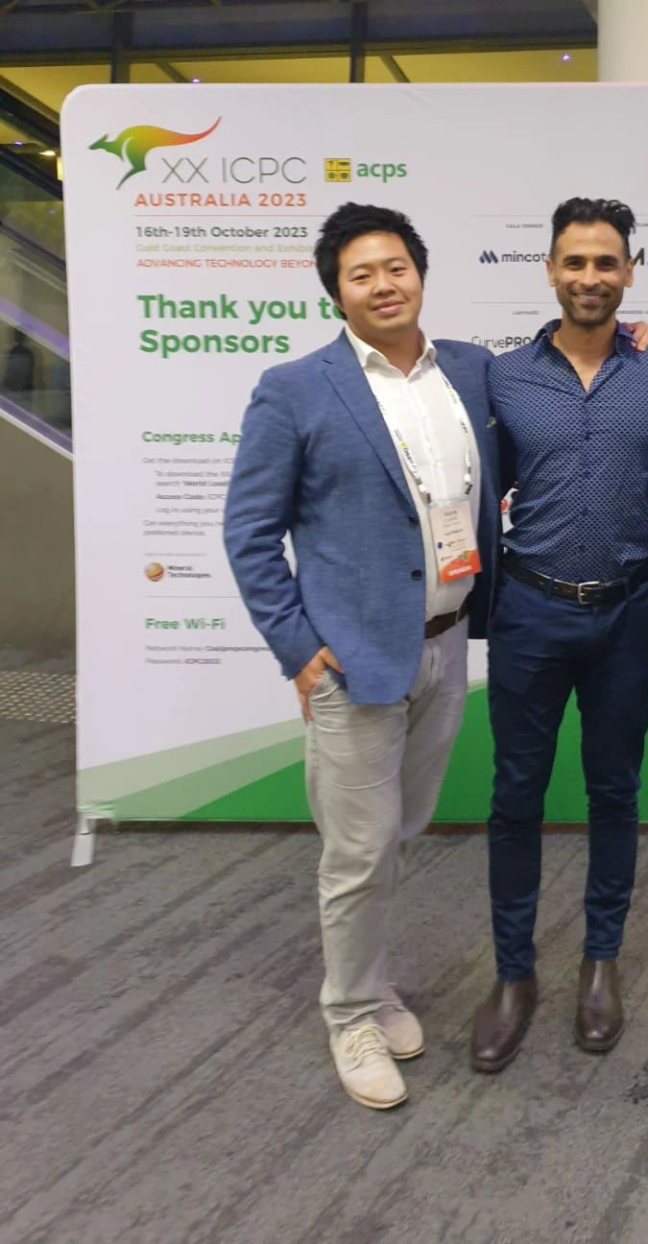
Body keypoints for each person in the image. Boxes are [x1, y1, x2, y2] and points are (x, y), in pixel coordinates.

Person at [224, 203, 501, 1112]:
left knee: (401, 834)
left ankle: (376, 985)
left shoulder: (468, 370)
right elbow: (250, 532)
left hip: (445, 645)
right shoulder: (296, 388)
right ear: (336, 291)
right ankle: (350, 1011)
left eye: (396, 268)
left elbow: (552, 380)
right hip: (351, 665)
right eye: (361, 274)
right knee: (357, 851)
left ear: (421, 273)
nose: (383, 285)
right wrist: (298, 653)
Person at [470, 197, 648, 1073]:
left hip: (630, 613)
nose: (590, 277)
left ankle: (602, 964)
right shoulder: (501, 375)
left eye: (606, 263)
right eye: (574, 262)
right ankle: (513, 976)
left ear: (630, 271)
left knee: (614, 793)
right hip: (530, 610)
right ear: (551, 272)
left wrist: (624, 498)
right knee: (516, 796)